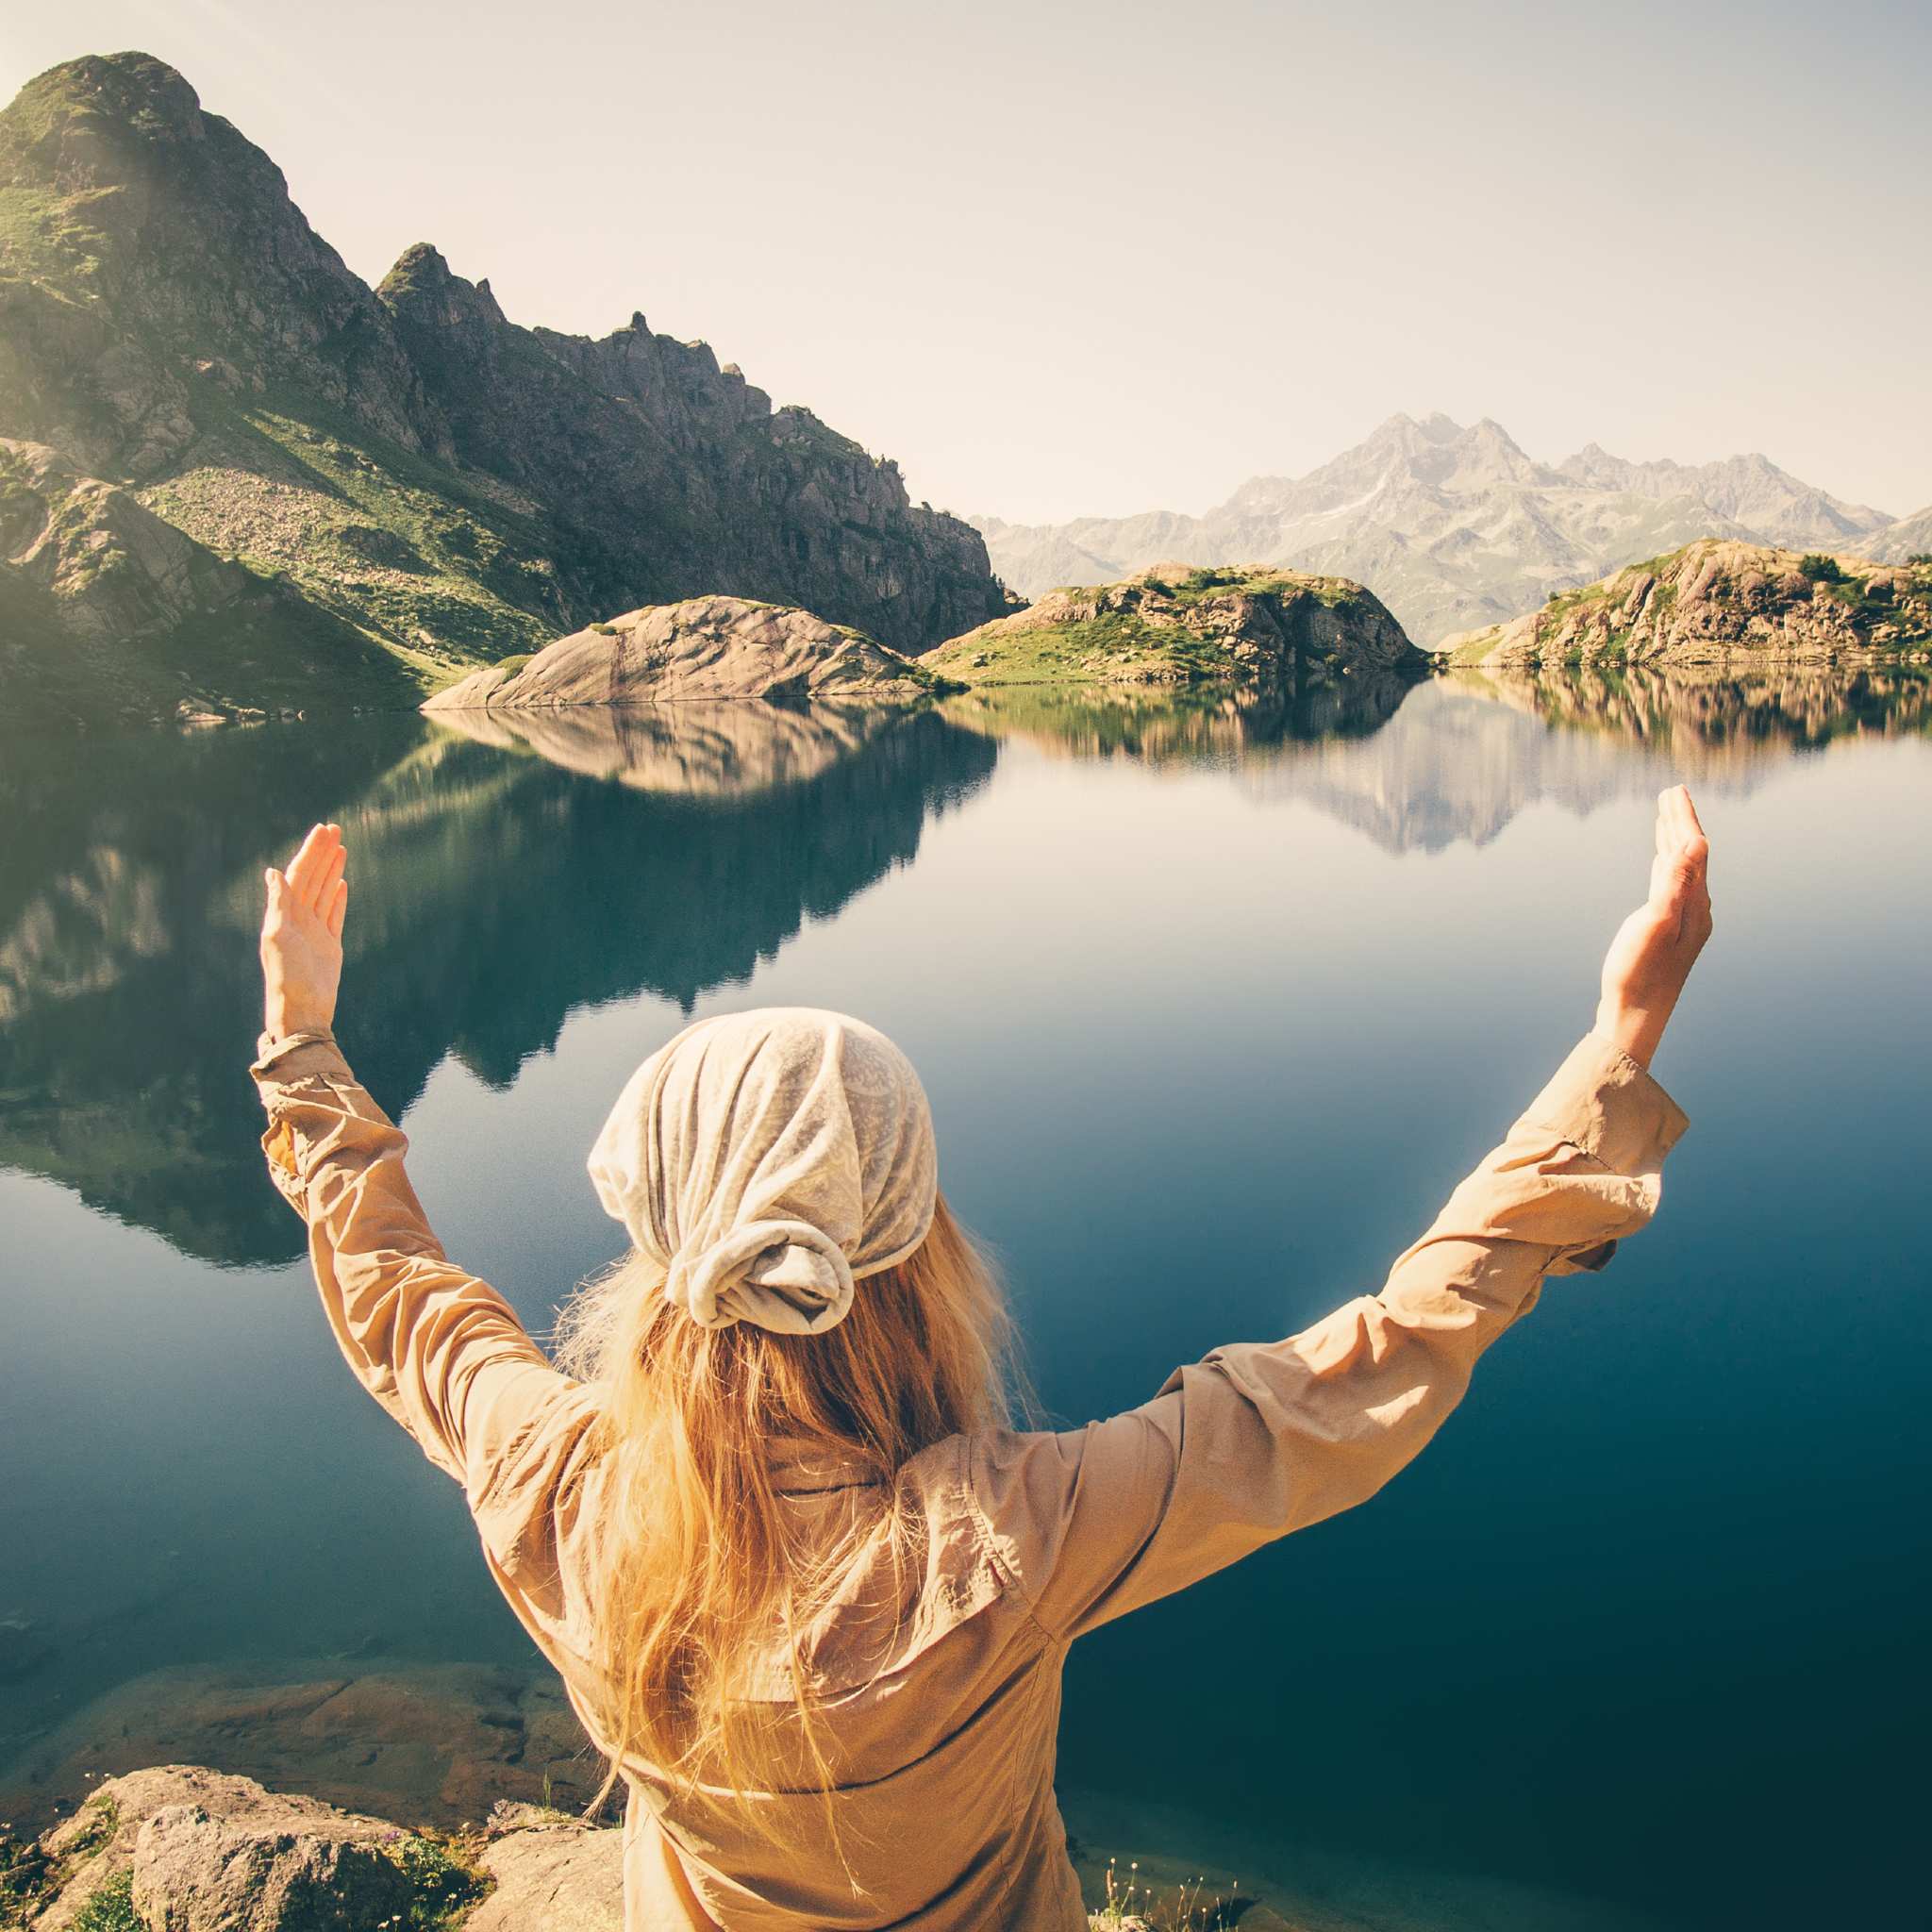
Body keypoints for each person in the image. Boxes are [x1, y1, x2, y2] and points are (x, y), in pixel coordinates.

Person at [252, 787, 1711, 1932]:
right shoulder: (1014, 1536)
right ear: (912, 1253)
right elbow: (1372, 1369)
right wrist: (1620, 1040)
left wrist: (303, 1039)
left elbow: (400, 1298)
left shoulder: (556, 1485)